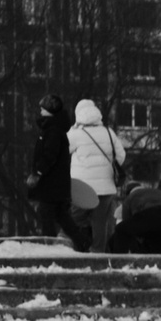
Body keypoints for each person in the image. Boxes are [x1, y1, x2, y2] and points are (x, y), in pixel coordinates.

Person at [64, 98, 128, 256]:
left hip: (83, 186)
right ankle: (97, 253)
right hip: (106, 187)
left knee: (74, 217)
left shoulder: (75, 134)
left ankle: (63, 246)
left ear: (78, 114)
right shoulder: (108, 132)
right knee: (100, 222)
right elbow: (121, 155)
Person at [26, 94, 76, 246]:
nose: (40, 111)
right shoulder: (56, 128)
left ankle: (49, 244)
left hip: (51, 183)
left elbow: (49, 154)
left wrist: (38, 173)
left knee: (46, 213)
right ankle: (82, 242)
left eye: (43, 108)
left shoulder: (52, 130)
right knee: (61, 215)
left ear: (50, 111)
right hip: (57, 183)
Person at [108, 182, 161, 254]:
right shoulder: (156, 192)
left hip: (149, 213)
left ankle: (119, 261)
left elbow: (127, 221)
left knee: (121, 229)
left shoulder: (130, 197)